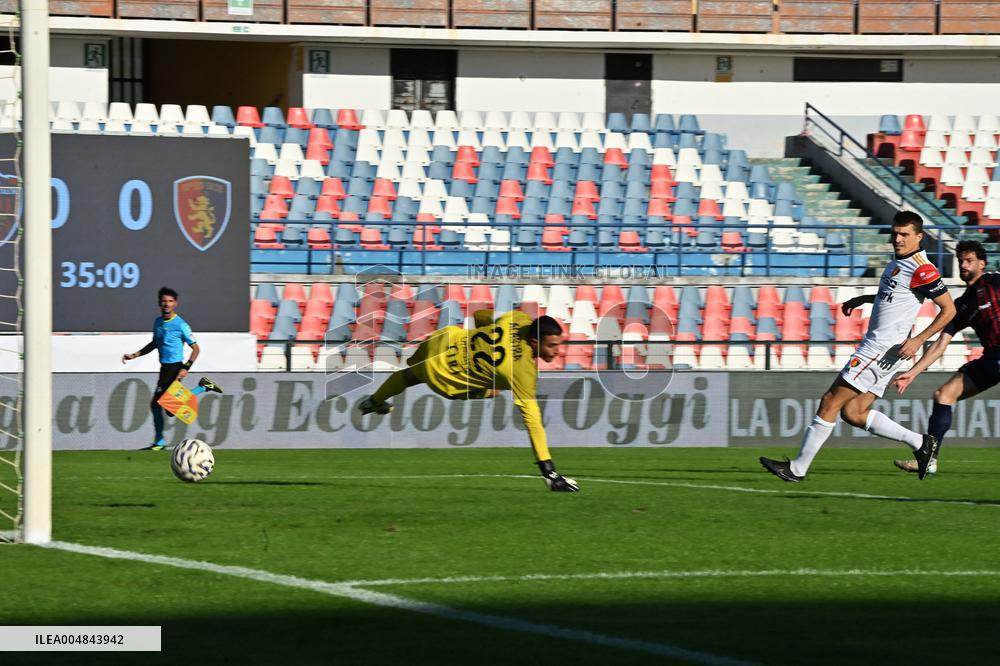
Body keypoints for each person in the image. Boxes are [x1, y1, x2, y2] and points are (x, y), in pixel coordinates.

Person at [760, 211, 955, 482]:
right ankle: (921, 443)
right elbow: (896, 296)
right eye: (895, 233)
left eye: (905, 235)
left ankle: (797, 468)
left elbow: (949, 309)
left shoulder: (922, 268)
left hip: (879, 349)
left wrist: (918, 339)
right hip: (885, 350)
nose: (897, 239)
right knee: (853, 412)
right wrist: (864, 298)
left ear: (919, 237)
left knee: (829, 401)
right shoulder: (900, 263)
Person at [358, 309, 579, 492]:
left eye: (559, 344)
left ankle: (374, 401)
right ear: (534, 341)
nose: (558, 351)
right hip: (446, 376)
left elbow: (482, 314)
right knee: (492, 391)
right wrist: (549, 471)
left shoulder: (518, 318)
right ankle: (376, 401)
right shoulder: (523, 371)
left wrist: (483, 335)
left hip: (441, 340)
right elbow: (532, 421)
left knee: (409, 376)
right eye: (552, 345)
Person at [893, 240, 999, 475]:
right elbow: (941, 344)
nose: (963, 265)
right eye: (961, 260)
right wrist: (912, 373)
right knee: (944, 395)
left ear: (982, 263)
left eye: (969, 260)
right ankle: (929, 460)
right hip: (993, 359)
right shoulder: (961, 305)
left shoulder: (996, 281)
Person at [122, 286, 223, 450]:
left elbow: (196, 349)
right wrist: (135, 355)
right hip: (164, 368)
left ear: (175, 303)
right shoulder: (158, 322)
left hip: (175, 368)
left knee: (158, 405)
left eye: (170, 301)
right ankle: (203, 386)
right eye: (164, 301)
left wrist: (186, 368)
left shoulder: (181, 325)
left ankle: (160, 441)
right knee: (171, 409)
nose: (167, 304)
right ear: (159, 303)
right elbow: (155, 343)